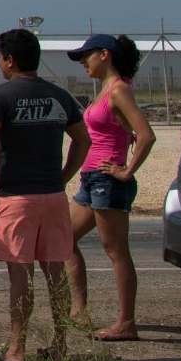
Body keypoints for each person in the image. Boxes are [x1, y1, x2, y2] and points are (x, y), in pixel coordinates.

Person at [0, 28, 91, 361]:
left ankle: (16, 350)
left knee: (20, 275)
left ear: (9, 60)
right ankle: (60, 345)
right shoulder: (59, 95)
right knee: (55, 272)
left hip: (17, 196)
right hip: (53, 197)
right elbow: (82, 140)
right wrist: (64, 176)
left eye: (0, 58)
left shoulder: (1, 95)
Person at [66, 32, 154, 341]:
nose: (82, 64)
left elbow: (146, 135)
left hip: (108, 181)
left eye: (86, 57)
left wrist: (127, 171)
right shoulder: (106, 89)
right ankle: (78, 311)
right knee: (64, 238)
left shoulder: (119, 90)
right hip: (91, 179)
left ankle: (126, 323)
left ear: (105, 55)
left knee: (116, 251)